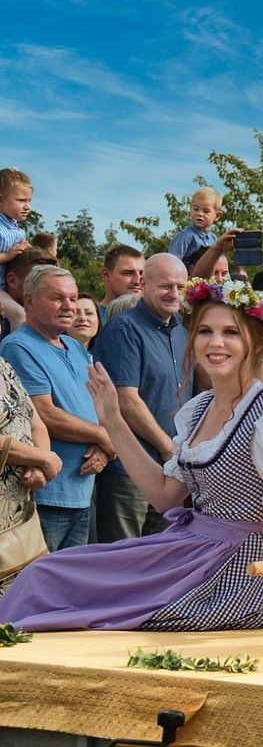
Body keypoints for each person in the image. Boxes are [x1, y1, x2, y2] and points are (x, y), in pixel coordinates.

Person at [0, 278, 263, 631]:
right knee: (47, 572)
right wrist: (113, 420)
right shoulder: (199, 410)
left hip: (238, 569)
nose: (215, 342)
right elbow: (165, 496)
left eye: (231, 332)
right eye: (205, 331)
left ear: (253, 343)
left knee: (88, 609)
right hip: (188, 549)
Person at [0, 266, 113, 551]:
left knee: (71, 587)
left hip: (82, 490)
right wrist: (101, 436)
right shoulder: (18, 347)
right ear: (29, 301)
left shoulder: (75, 347)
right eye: (57, 298)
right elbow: (44, 414)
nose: (68, 306)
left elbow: (96, 404)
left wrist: (103, 448)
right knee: (38, 585)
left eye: (73, 299)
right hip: (46, 493)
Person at [91, 253, 189, 542]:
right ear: (143, 285)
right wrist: (168, 448)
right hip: (130, 470)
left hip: (172, 470)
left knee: (161, 562)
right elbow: (126, 400)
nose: (174, 294)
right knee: (123, 561)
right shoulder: (124, 329)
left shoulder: (181, 330)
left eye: (180, 287)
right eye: (166, 286)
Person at [0, 356, 62, 594]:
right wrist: (42, 459)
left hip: (18, 513)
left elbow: (36, 423)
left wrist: (39, 465)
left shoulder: (5, 364)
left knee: (21, 606)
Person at [167, 187, 237, 271]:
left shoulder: (214, 238)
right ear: (190, 210)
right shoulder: (185, 237)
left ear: (217, 215)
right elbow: (171, 264)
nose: (199, 214)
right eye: (195, 209)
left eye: (206, 211)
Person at [0, 168, 34, 330]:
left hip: (10, 288)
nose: (27, 206)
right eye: (21, 200)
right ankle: (16, 353)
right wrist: (7, 256)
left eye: (29, 201)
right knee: (19, 315)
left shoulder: (17, 230)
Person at [98, 245, 144, 319]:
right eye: (128, 273)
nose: (138, 281)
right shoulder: (88, 319)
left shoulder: (159, 317)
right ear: (106, 275)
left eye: (142, 273)